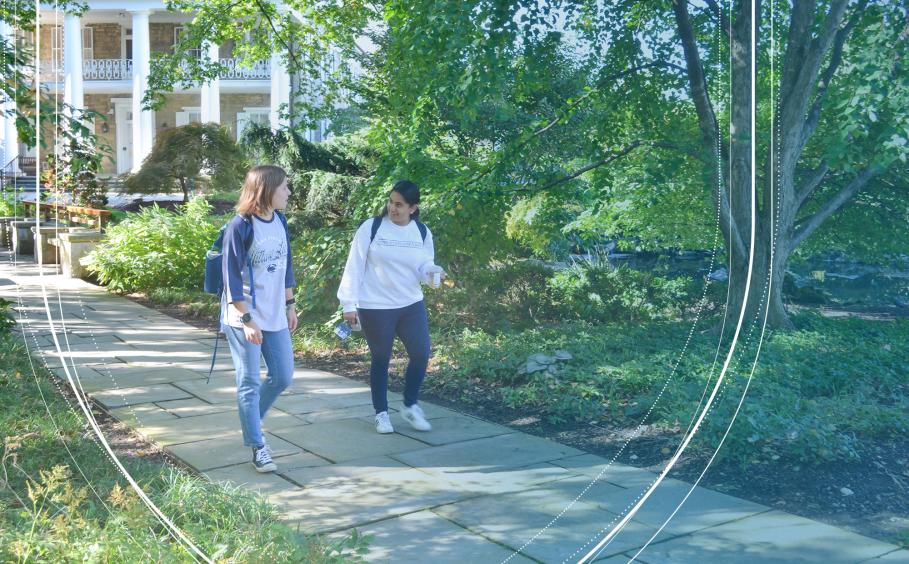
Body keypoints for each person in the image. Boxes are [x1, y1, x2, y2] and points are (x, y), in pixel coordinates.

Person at [337, 180, 445, 434]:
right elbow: (354, 265)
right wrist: (348, 304)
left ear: (413, 208)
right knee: (381, 358)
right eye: (391, 202)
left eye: (399, 205)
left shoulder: (421, 232)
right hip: (375, 306)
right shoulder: (372, 228)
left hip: (411, 304)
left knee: (421, 352)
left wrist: (432, 273)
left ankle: (409, 405)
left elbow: (423, 267)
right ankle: (381, 413)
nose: (392, 208)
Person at [221, 165, 297, 472]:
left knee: (282, 376)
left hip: (275, 312)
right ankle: (257, 445)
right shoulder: (239, 226)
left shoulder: (279, 220)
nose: (289, 193)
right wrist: (247, 319)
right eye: (285, 188)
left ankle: (250, 420)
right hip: (244, 315)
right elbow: (230, 280)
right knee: (249, 381)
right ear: (267, 191)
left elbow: (287, 265)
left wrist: (290, 304)